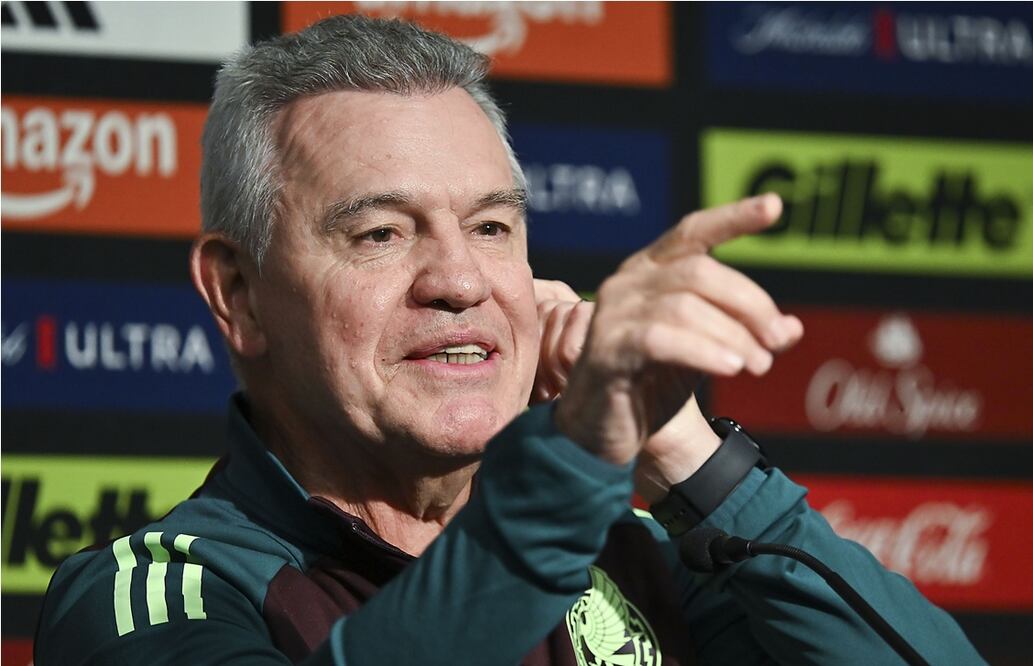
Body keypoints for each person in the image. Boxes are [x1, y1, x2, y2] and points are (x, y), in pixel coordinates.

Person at [35, 15, 984, 666]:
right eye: (381, 234)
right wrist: (568, 460)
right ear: (238, 294)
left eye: (491, 227)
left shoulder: (632, 558)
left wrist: (688, 458)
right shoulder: (155, 597)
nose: (459, 281)